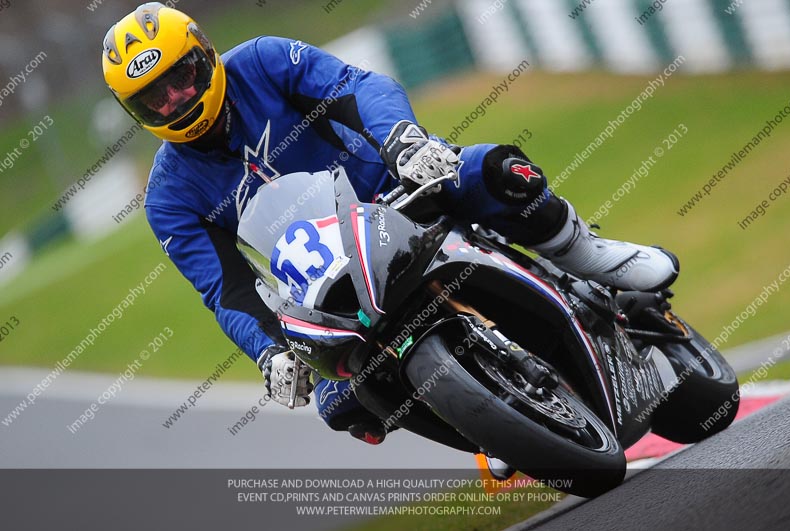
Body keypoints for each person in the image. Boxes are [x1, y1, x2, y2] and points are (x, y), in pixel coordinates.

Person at [102, 3, 679, 446]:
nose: (176, 100)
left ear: (205, 54)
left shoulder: (262, 60)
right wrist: (268, 352)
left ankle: (588, 255)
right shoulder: (167, 198)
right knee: (340, 404)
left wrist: (402, 140)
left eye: (182, 76)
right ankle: (489, 427)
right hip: (328, 286)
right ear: (138, 113)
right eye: (154, 99)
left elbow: (356, 86)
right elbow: (226, 290)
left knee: (500, 171)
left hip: (399, 191)